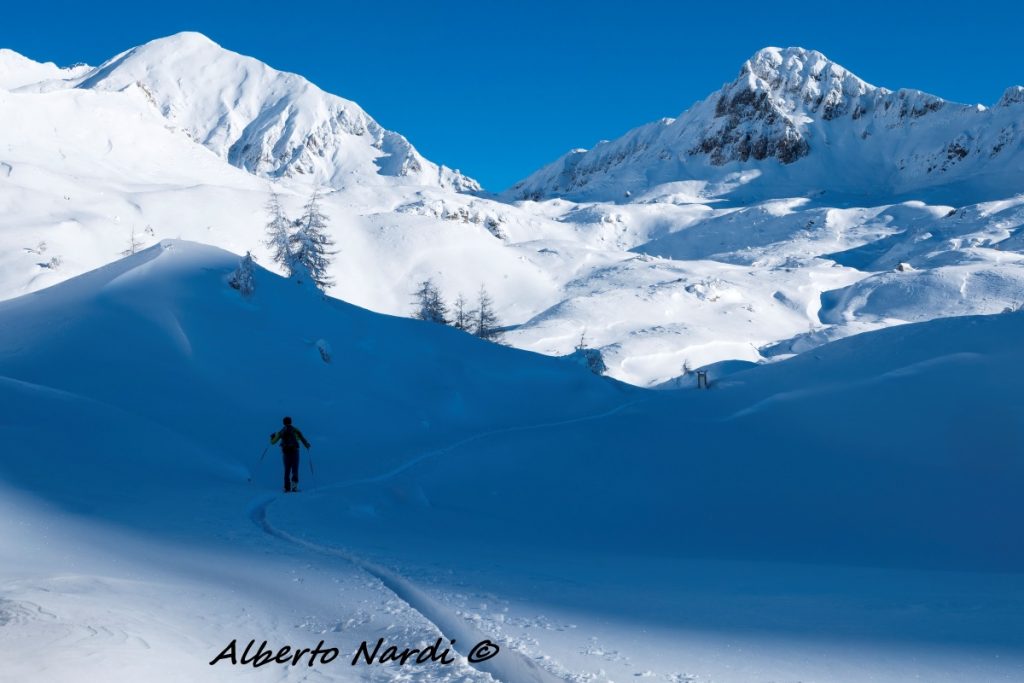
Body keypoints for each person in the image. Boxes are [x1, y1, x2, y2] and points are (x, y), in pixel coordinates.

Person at [270, 416, 311, 492]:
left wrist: (272, 437)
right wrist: (307, 445)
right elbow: (302, 438)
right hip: (295, 451)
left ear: (283, 423)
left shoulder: (281, 431)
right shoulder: (295, 430)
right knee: (295, 468)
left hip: (285, 453)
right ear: (291, 422)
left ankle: (287, 487)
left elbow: (273, 442)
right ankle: (294, 486)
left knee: (287, 469)